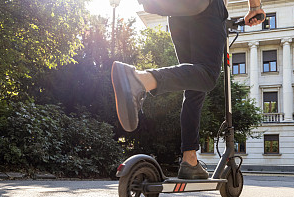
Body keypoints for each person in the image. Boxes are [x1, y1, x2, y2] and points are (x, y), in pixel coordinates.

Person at [111, 0, 265, 179]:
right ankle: (140, 80)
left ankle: (190, 160)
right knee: (206, 75)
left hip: (178, 12)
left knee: (194, 83)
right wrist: (255, 7)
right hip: (206, 7)